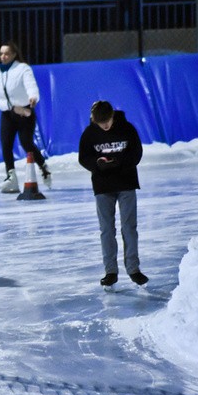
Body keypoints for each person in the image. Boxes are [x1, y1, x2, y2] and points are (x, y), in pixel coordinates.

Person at [78, 101, 149, 290]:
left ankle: (133, 269)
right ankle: (110, 272)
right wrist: (97, 164)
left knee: (129, 228)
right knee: (107, 230)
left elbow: (136, 153)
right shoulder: (89, 133)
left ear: (112, 116)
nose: (105, 126)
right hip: (102, 186)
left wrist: (118, 162)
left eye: (107, 121)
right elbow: (83, 158)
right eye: (101, 123)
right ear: (94, 120)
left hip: (126, 183)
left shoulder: (127, 128)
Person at [0, 40, 51, 193]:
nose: (3, 56)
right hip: (7, 114)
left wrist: (33, 97)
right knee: (6, 144)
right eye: (1, 54)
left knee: (26, 142)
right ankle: (11, 176)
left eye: (7, 53)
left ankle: (43, 167)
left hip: (24, 112)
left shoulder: (22, 69)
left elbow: (31, 85)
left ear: (13, 55)